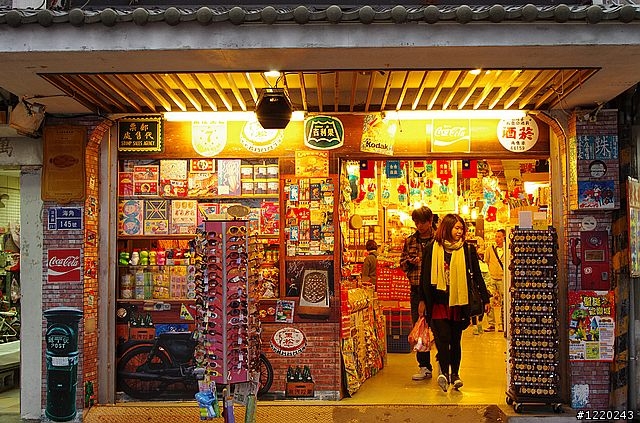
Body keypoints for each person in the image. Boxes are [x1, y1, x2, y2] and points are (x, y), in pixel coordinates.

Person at [419, 213, 490, 391]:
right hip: (438, 302)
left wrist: (485, 298)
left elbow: (476, 275)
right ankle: (444, 372)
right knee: (443, 338)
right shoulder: (432, 248)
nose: (460, 232)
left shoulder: (466, 249)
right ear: (447, 227)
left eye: (461, 229)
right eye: (457, 228)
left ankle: (455, 374)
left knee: (455, 339)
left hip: (459, 302)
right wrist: (422, 300)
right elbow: (424, 277)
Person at [400, 206, 435, 381]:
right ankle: (424, 366)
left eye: (422, 222)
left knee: (438, 326)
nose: (419, 226)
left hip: (436, 289)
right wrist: (410, 262)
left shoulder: (439, 239)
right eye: (417, 222)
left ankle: (443, 364)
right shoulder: (410, 241)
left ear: (430, 221)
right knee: (419, 327)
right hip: (416, 289)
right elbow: (402, 264)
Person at [484, 229, 506, 332]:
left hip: (503, 278)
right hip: (492, 278)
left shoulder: (507, 249)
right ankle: (491, 324)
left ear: (504, 237)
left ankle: (503, 324)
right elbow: (486, 261)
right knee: (490, 301)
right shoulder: (490, 249)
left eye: (499, 237)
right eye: (496, 236)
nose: (497, 239)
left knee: (504, 302)